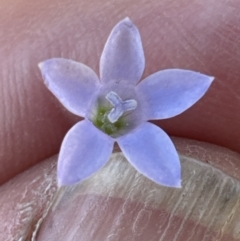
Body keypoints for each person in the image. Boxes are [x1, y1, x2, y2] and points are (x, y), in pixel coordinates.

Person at [0, 0, 240, 240]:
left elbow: (167, 168)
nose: (112, 113)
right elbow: (57, 73)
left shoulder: (160, 119)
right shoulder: (78, 110)